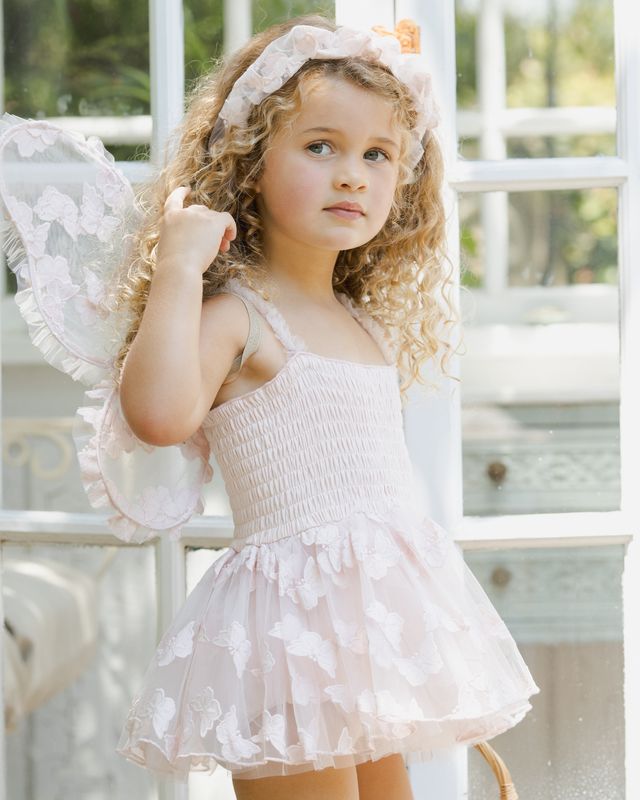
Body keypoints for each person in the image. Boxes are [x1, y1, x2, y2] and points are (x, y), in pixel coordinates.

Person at [0, 13, 540, 800]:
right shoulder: (241, 318)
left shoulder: (362, 324)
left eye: (377, 154)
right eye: (320, 146)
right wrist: (181, 266)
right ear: (252, 164)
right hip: (290, 630)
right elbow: (157, 415)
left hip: (371, 633)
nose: (352, 174)